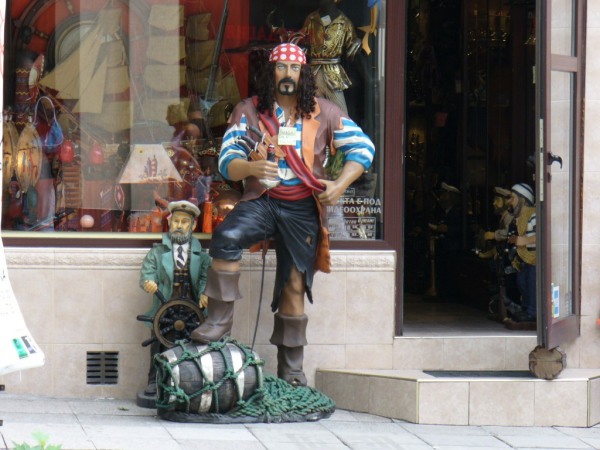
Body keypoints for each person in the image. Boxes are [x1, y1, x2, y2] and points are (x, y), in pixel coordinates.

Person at [190, 42, 375, 387]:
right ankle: (218, 321)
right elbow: (227, 161)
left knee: (294, 283)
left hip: (302, 205)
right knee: (226, 236)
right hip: (262, 199)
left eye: (294, 68)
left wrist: (339, 185)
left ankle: (291, 370)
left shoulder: (325, 112)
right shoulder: (248, 111)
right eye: (281, 67)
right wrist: (251, 167)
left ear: (303, 74)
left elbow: (363, 148)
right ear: (270, 72)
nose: (287, 74)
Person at [139, 200, 211, 396]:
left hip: (191, 310)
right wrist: (149, 282)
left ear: (193, 226)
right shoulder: (157, 252)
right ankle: (154, 381)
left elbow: (206, 276)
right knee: (158, 344)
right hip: (165, 308)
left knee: (192, 347)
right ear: (169, 223)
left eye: (184, 222)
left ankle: (188, 383)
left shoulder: (201, 255)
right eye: (176, 221)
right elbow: (147, 272)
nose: (179, 226)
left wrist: (204, 292)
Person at [301, 0, 361, 114]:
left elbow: (352, 45)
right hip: (313, 72)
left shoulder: (344, 22)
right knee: (308, 110)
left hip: (333, 74)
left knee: (341, 113)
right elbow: (302, 39)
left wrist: (356, 43)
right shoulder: (311, 19)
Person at [506, 183, 536, 323]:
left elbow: (541, 235)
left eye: (513, 198)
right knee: (522, 282)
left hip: (534, 259)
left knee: (531, 282)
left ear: (523, 200)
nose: (510, 202)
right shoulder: (519, 219)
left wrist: (525, 240)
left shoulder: (534, 215)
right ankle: (526, 308)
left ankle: (532, 311)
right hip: (524, 258)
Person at [428, 182, 461, 300]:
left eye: (445, 195)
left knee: (450, 270)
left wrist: (448, 229)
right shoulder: (441, 211)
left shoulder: (457, 212)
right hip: (443, 246)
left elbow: (461, 228)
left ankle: (450, 294)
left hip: (452, 247)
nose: (442, 198)